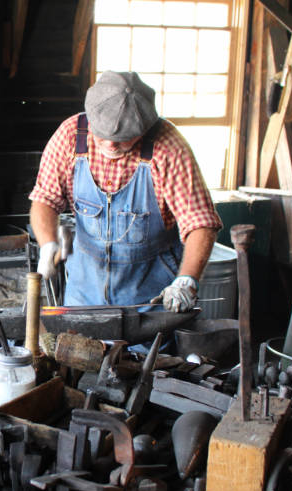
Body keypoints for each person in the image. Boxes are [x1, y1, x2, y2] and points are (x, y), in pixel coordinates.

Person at [29, 71, 222, 312]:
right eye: (103, 135)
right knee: (77, 349)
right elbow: (45, 199)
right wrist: (48, 244)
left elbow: (199, 222)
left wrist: (187, 280)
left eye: (124, 138)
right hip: (84, 294)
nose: (111, 145)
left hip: (151, 298)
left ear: (144, 128)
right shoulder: (70, 135)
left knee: (154, 352)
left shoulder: (168, 146)